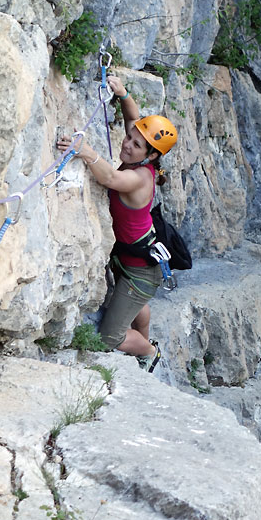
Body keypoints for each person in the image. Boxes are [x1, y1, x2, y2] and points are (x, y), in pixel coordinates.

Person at [57, 75, 177, 371]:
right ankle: (141, 336)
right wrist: (123, 94)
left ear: (151, 155)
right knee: (139, 304)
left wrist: (84, 151)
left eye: (136, 145)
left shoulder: (139, 178)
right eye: (129, 137)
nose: (127, 145)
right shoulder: (141, 156)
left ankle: (148, 351)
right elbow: (134, 119)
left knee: (109, 336)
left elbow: (110, 177)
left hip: (140, 272)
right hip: (132, 259)